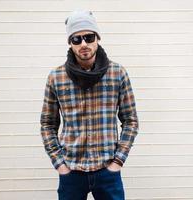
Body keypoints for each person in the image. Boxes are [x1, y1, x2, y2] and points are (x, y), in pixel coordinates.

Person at [40, 10, 139, 200]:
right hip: (72, 172)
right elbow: (47, 124)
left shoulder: (117, 73)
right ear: (70, 43)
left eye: (88, 37)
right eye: (76, 39)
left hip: (107, 171)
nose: (83, 44)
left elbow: (131, 120)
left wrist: (118, 161)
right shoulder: (56, 77)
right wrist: (60, 164)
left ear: (97, 38)